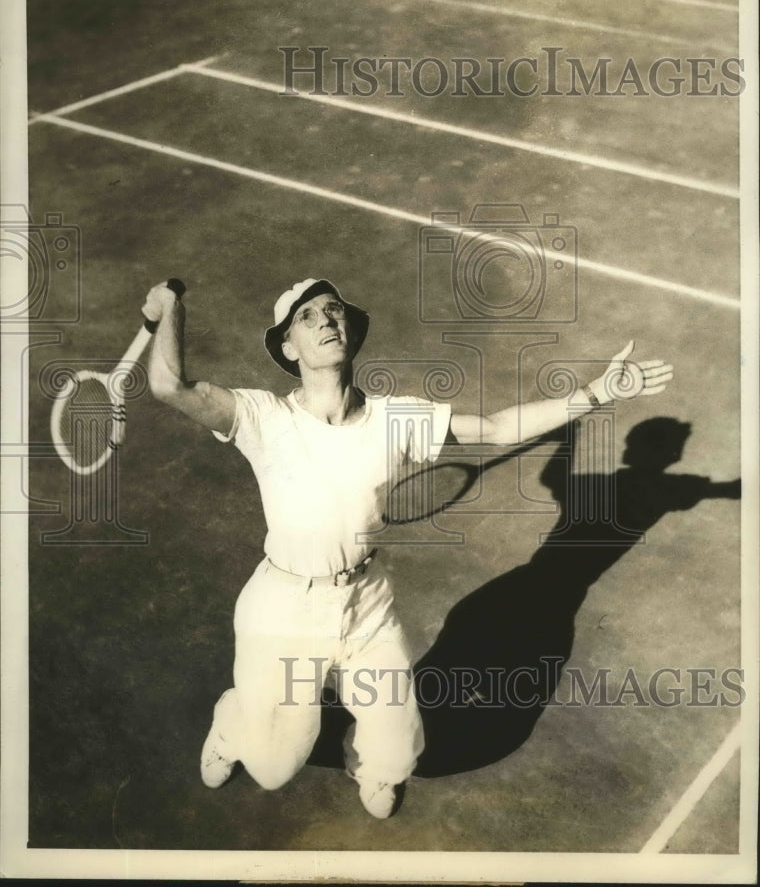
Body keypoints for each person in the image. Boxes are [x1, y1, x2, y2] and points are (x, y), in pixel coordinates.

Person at [144, 276, 673, 818]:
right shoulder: (262, 416)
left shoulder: (396, 419)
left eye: (334, 310)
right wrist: (170, 307)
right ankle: (234, 725)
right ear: (288, 347)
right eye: (307, 317)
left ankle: (370, 765)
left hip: (365, 602)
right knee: (274, 768)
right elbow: (170, 386)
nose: (327, 320)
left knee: (398, 748)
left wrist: (599, 393)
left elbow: (495, 428)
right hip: (283, 608)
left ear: (351, 329)